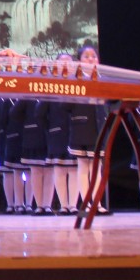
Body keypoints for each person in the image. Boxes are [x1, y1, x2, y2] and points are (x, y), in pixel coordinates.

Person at [66, 44, 105, 214]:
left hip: (99, 128)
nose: (91, 59)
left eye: (94, 56)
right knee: (83, 166)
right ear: (79, 61)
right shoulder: (75, 79)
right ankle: (86, 203)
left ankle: (97, 202)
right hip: (81, 128)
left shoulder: (103, 79)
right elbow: (66, 106)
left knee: (97, 168)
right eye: (86, 56)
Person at [42, 54, 79, 215]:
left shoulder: (79, 84)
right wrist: (50, 128)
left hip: (76, 133)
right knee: (59, 170)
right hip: (56, 134)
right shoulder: (50, 86)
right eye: (61, 62)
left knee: (74, 169)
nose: (65, 65)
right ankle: (64, 205)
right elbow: (40, 113)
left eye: (68, 62)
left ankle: (73, 205)